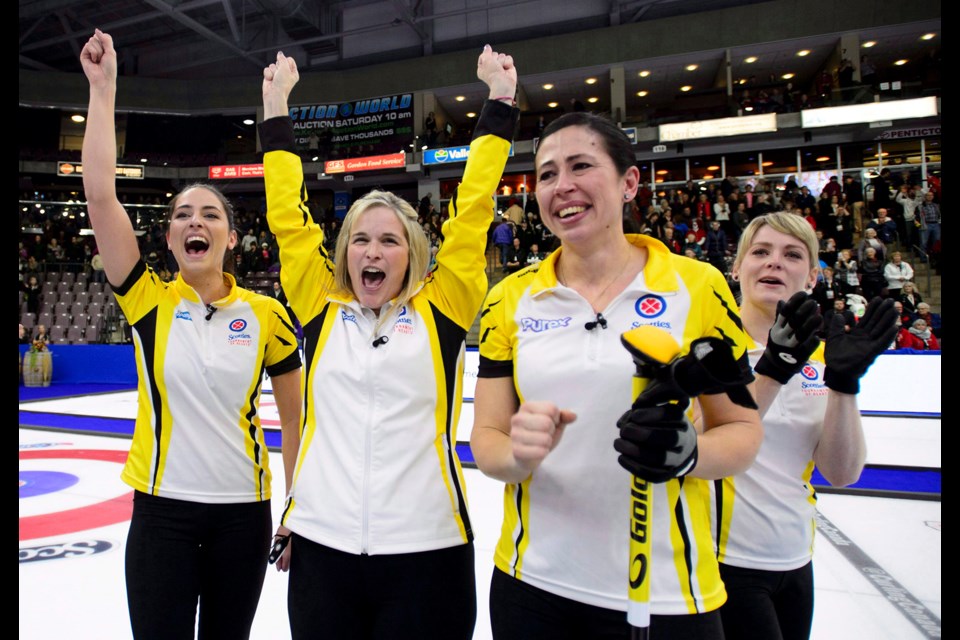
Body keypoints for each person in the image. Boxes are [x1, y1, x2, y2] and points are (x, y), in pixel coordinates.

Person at [471, 110, 762, 638]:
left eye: (581, 166)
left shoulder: (699, 286)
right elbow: (487, 439)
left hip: (667, 594)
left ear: (630, 182)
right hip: (531, 587)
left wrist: (689, 455)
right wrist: (518, 453)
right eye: (547, 174)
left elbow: (742, 432)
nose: (563, 186)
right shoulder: (508, 299)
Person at [259, 46, 518, 639]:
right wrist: (275, 108)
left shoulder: (445, 305)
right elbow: (289, 221)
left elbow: (474, 209)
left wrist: (499, 104)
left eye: (390, 241)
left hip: (429, 551)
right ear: (345, 250)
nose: (372, 252)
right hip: (322, 551)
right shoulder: (319, 307)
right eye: (360, 240)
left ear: (415, 255)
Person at [80, 30, 302, 640]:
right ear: (171, 239)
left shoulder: (267, 316)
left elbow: (294, 426)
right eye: (182, 214)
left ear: (231, 238)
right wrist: (104, 91)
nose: (195, 221)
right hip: (160, 514)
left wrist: (296, 506)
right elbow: (101, 197)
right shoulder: (148, 301)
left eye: (211, 214)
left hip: (243, 516)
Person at [718, 212, 897, 640]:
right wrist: (774, 368)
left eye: (792, 254)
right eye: (760, 252)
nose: (774, 263)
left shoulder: (823, 356)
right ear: (737, 267)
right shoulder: (708, 342)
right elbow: (710, 442)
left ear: (813, 276)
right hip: (720, 561)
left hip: (796, 559)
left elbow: (842, 472)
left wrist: (844, 385)